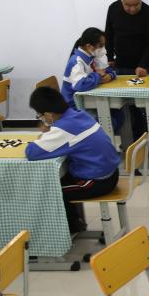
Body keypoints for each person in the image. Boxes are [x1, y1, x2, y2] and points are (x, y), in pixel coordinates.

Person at [26, 86, 122, 234]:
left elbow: (31, 152)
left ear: (48, 115)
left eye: (40, 116)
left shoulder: (63, 129)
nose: (42, 120)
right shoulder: (80, 114)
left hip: (98, 182)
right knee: (57, 180)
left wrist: (44, 135)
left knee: (50, 190)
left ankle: (69, 231)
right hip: (110, 172)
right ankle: (75, 223)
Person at [104, 0, 149, 78]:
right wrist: (110, 57)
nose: (133, 9)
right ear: (122, 1)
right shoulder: (113, 9)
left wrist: (143, 64)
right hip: (120, 65)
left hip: (144, 67)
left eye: (136, 4)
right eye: (128, 5)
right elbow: (109, 34)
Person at [61, 27, 116, 106]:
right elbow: (81, 85)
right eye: (101, 46)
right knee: (112, 108)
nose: (104, 49)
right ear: (89, 46)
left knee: (115, 107)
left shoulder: (91, 57)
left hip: (88, 99)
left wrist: (110, 76)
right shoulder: (76, 61)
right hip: (74, 105)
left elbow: (109, 70)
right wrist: (98, 76)